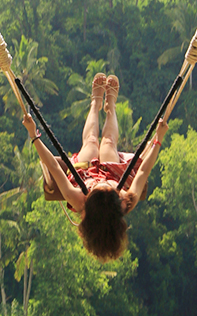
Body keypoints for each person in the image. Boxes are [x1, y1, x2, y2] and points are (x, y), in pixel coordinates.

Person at [22, 73, 168, 262]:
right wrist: (158, 139)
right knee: (107, 144)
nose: (102, 183)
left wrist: (34, 135)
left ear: (88, 202)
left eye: (99, 189)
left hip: (83, 175)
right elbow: (143, 171)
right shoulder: (126, 201)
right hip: (115, 172)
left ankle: (95, 103)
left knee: (91, 143)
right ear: (119, 199)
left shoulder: (79, 200)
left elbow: (54, 167)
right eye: (109, 188)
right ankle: (111, 107)